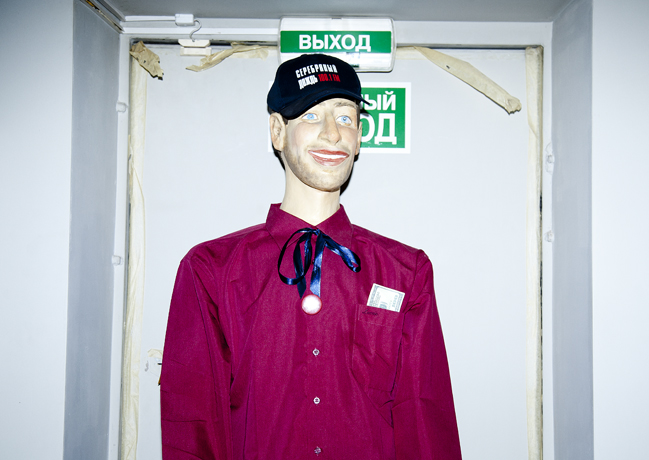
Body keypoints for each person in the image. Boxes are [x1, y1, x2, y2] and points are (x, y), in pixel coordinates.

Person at [160, 53, 462, 459]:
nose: (333, 134)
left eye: (345, 117)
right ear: (277, 131)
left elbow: (425, 421)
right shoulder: (211, 270)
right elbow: (194, 425)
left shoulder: (406, 272)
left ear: (359, 137)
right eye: (311, 116)